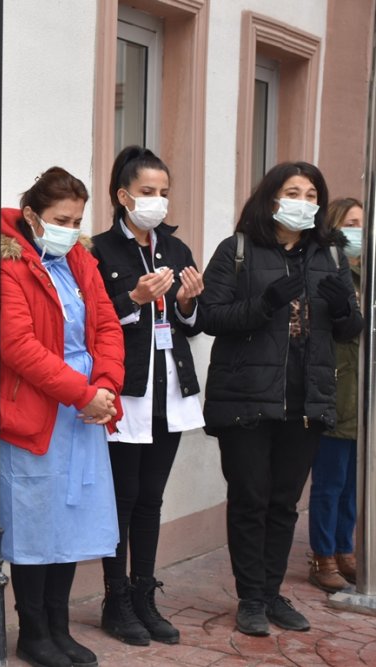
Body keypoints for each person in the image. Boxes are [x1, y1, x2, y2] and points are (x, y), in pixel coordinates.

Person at [201, 162, 363, 636]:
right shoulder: (238, 250)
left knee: (284, 503)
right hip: (246, 400)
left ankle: (272, 594)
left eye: (312, 194)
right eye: (294, 191)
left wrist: (341, 308)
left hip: (306, 403)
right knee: (250, 500)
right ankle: (251, 598)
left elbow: (350, 330)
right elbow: (211, 316)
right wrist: (265, 303)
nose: (304, 201)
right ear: (272, 198)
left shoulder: (328, 256)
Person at [0, 166, 124, 667]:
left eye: (77, 219)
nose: (70, 227)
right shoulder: (6, 267)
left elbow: (106, 324)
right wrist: (80, 393)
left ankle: (60, 627)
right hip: (36, 412)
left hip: (82, 412)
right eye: (61, 219)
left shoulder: (81, 259)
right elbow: (16, 346)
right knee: (36, 524)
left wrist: (105, 387)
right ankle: (33, 630)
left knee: (71, 521)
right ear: (32, 217)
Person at [90, 146, 204, 646]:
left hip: (169, 388)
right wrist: (134, 299)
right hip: (127, 389)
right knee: (123, 497)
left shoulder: (175, 250)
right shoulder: (97, 250)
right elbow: (91, 324)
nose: (157, 201)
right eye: (147, 192)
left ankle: (144, 596)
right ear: (123, 195)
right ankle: (115, 600)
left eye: (163, 193)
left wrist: (186, 303)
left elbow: (192, 324)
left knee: (151, 499)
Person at [307, 197, 364, 592]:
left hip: (364, 397)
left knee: (352, 486)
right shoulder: (328, 274)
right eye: (352, 223)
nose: (360, 232)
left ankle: (346, 550)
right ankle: (322, 555)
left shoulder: (366, 277)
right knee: (329, 482)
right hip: (336, 390)